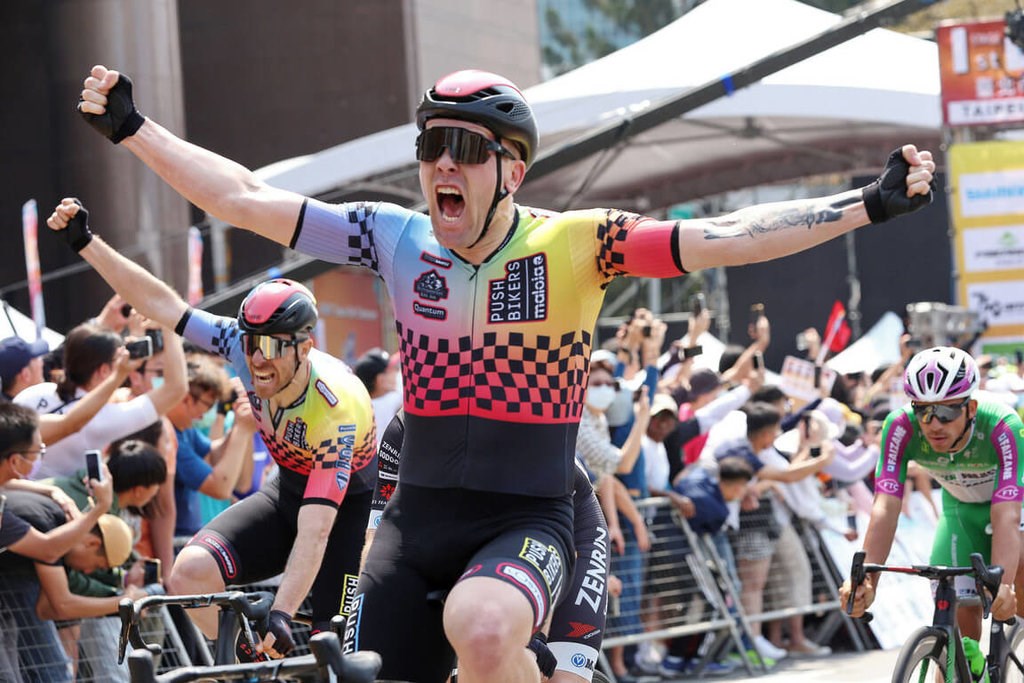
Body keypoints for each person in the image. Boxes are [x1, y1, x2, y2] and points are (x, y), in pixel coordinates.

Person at [75, 63, 935, 682]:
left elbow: (732, 234)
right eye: (430, 145)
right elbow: (244, 199)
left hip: (530, 514)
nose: (442, 163)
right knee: (360, 669)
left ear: (512, 170)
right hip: (415, 523)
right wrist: (135, 131)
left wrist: (863, 203)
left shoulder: (578, 243)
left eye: (466, 149)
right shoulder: (394, 236)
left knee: (482, 628)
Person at [46, 200, 376, 660]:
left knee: (328, 645)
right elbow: (164, 304)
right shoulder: (239, 345)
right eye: (250, 342)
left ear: (305, 347)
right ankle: (252, 663)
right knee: (188, 575)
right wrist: (87, 243)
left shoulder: (334, 405)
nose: (256, 359)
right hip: (287, 491)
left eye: (271, 346)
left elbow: (317, 530)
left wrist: (282, 611)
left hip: (344, 514)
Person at [842, 346, 1024, 642]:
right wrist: (867, 580)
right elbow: (885, 508)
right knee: (958, 635)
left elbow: (1007, 516)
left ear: (971, 408)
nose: (934, 424)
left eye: (947, 411)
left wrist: (1002, 584)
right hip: (960, 510)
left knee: (1016, 583)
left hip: (1012, 506)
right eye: (924, 411)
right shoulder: (900, 427)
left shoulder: (1002, 426)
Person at [14, 322, 188, 481]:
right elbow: (176, 389)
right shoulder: (102, 420)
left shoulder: (33, 393)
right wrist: (170, 327)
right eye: (120, 356)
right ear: (104, 370)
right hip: (65, 509)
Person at [0, 490, 141, 683]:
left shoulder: (58, 516)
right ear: (92, 543)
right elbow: (59, 606)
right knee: (52, 674)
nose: (89, 572)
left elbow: (45, 608)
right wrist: (123, 603)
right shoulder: (51, 530)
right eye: (97, 565)